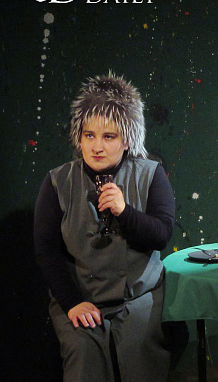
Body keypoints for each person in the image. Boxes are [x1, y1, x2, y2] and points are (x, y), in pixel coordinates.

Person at [34, 73, 175, 381]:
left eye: (109, 136)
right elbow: (46, 250)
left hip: (139, 297)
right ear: (79, 138)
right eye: (89, 135)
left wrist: (125, 211)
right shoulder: (58, 181)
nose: (97, 146)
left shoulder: (151, 174)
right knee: (83, 355)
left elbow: (162, 235)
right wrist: (72, 303)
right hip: (81, 297)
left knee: (140, 360)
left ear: (127, 140)